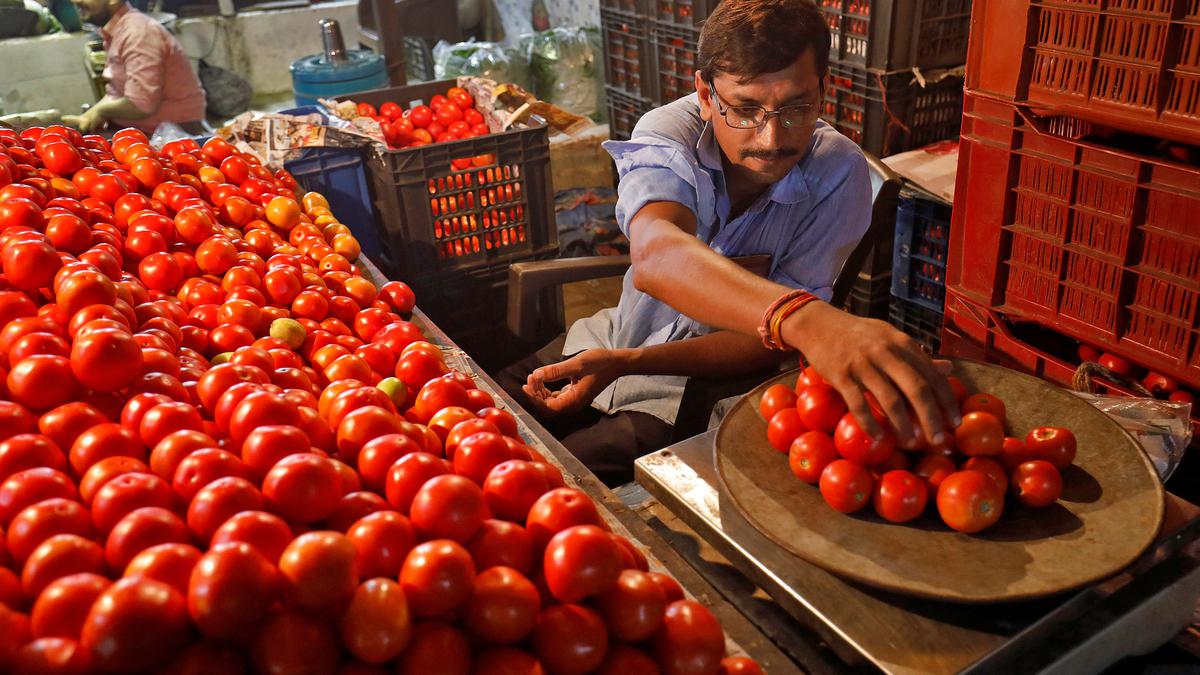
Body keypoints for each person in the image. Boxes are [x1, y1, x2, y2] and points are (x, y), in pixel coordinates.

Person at [498, 0, 959, 486]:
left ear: (824, 88)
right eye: (744, 109)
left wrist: (631, 365)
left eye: (797, 107)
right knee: (484, 410)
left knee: (551, 483)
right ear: (704, 94)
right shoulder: (669, 132)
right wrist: (810, 321)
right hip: (613, 335)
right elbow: (658, 254)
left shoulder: (837, 174)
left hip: (692, 388)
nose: (771, 136)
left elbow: (758, 347)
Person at [64, 0, 206, 134]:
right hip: (145, 129)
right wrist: (92, 113)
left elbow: (141, 103)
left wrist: (100, 111)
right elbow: (117, 92)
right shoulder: (117, 31)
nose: (75, 1)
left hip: (174, 133)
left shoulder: (138, 32)